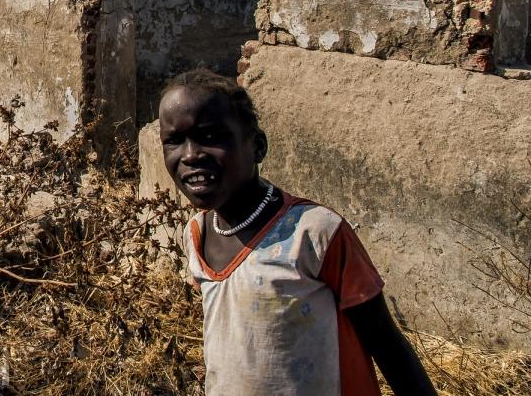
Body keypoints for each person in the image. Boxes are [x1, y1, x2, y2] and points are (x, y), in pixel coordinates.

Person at [158, 68, 436, 396]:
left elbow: (388, 348)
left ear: (258, 146)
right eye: (174, 141)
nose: (191, 155)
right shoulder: (197, 234)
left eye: (211, 136)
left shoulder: (314, 233)